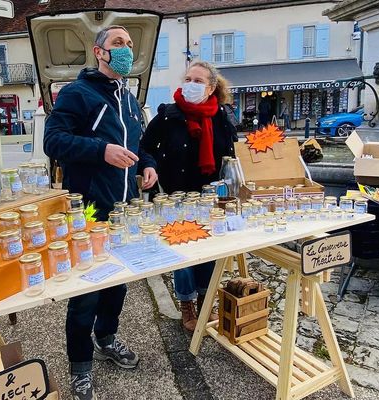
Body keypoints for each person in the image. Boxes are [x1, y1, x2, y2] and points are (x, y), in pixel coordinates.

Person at [44, 25, 158, 400]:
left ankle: (106, 338)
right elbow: (53, 141)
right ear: (99, 52)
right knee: (86, 291)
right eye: (118, 43)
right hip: (89, 209)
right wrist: (100, 150)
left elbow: (135, 144)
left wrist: (146, 163)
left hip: (124, 208)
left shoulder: (128, 98)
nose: (125, 49)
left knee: (118, 283)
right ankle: (80, 367)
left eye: (129, 43)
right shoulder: (77, 93)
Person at [141, 61, 237, 332]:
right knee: (183, 251)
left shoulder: (221, 116)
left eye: (198, 81)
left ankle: (207, 299)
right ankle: (186, 304)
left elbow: (230, 156)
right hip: (176, 196)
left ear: (211, 88)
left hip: (210, 196)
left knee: (208, 250)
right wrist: (149, 165)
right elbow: (145, 146)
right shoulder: (168, 115)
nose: (191, 84)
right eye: (188, 78)